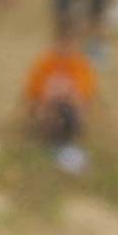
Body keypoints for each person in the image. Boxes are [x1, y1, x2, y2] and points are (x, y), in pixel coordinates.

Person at [23, 29, 98, 171]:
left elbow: (84, 97)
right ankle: (53, 139)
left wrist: (67, 96)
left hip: (71, 110)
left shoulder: (80, 65)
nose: (64, 48)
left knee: (66, 109)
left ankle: (64, 140)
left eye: (68, 44)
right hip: (48, 108)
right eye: (61, 43)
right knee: (52, 108)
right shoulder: (45, 63)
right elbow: (32, 95)